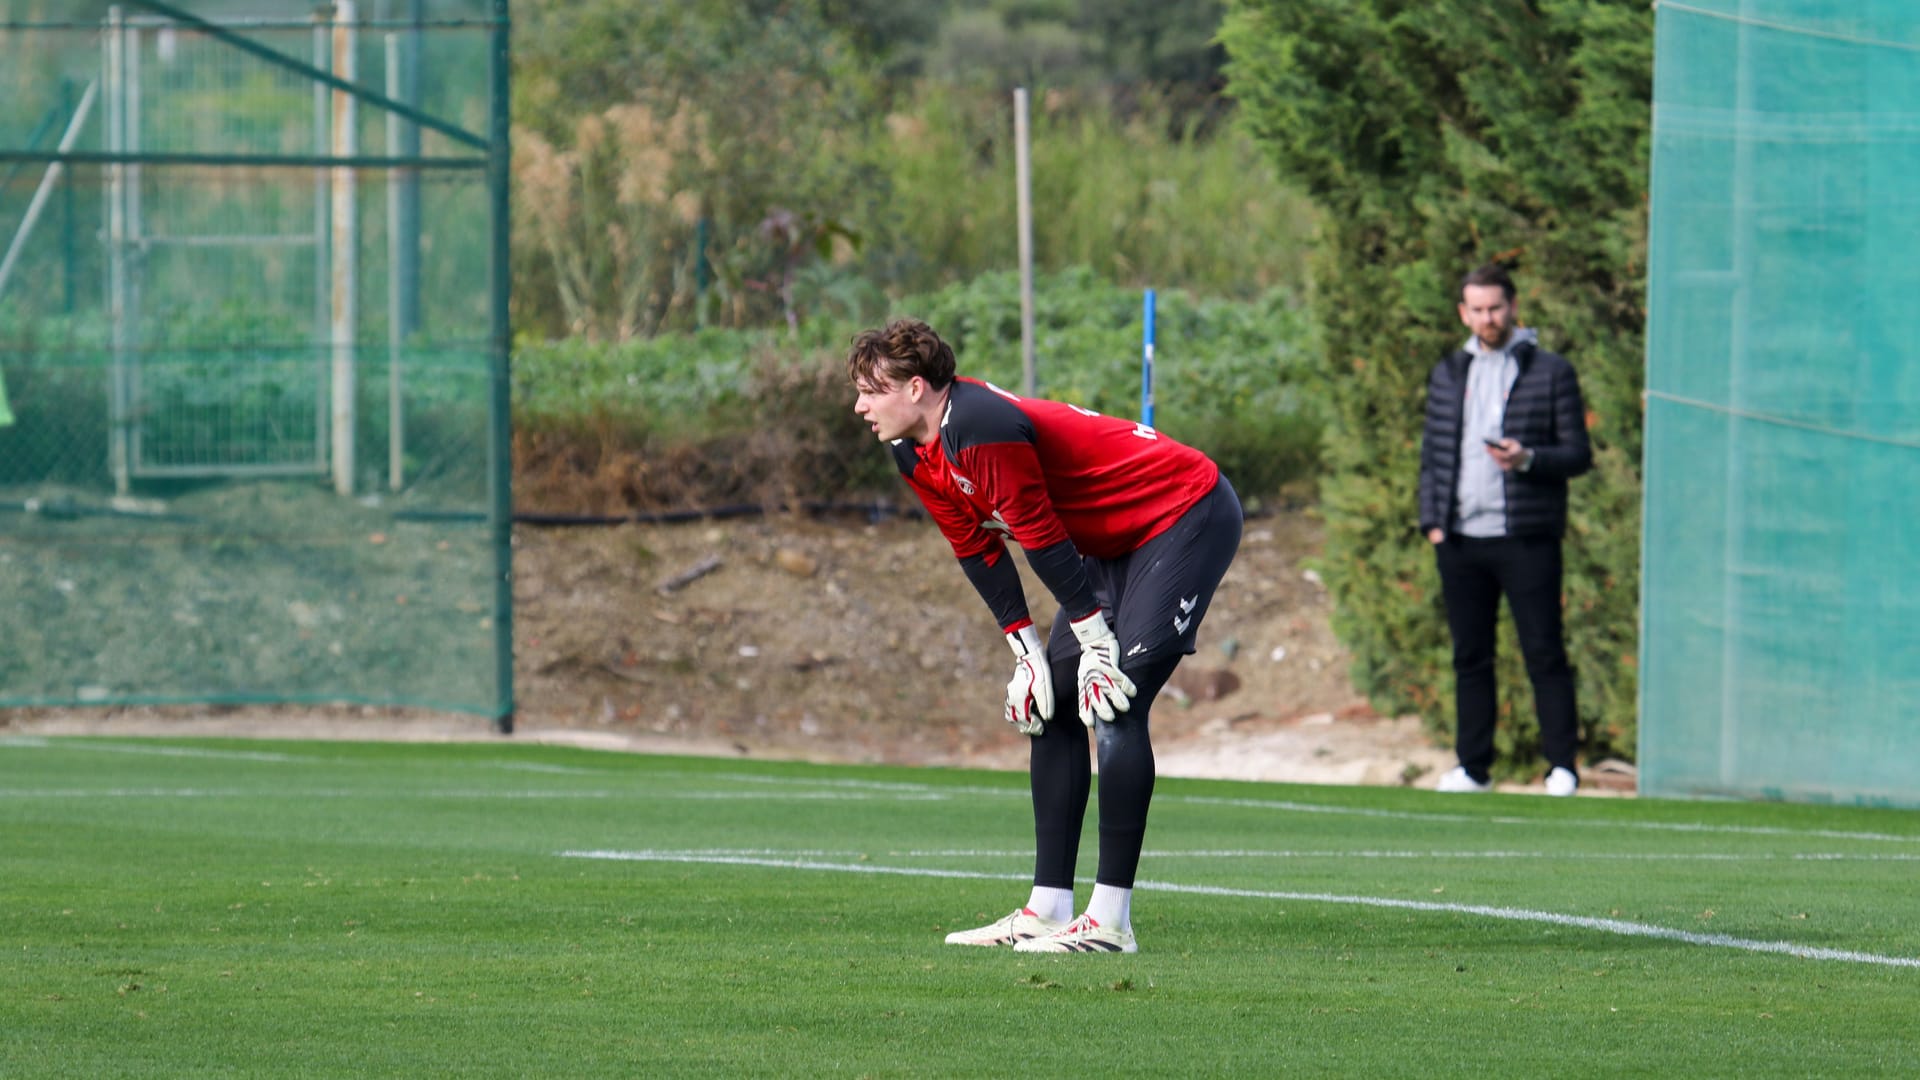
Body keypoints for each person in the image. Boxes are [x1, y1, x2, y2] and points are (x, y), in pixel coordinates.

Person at [848, 318, 1241, 954]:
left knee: (1112, 698)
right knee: (1050, 702)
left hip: (1181, 513)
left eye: (871, 390)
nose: (860, 406)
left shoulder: (978, 425)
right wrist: (1027, 654)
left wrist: (1095, 642)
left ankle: (1111, 921)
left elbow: (1039, 536)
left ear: (916, 387)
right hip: (1104, 544)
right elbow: (976, 549)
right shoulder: (911, 449)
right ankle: (1049, 908)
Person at [1417, 263, 1592, 796]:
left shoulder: (1551, 371)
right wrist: (1433, 524)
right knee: (1470, 656)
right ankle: (1473, 768)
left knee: (1544, 651)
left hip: (1527, 538)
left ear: (1513, 306)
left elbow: (1578, 455)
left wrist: (1528, 458)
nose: (1487, 318)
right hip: (1460, 539)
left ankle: (1561, 767)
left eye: (1495, 307)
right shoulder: (1448, 371)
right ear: (1463, 312)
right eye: (1477, 309)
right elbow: (1432, 456)